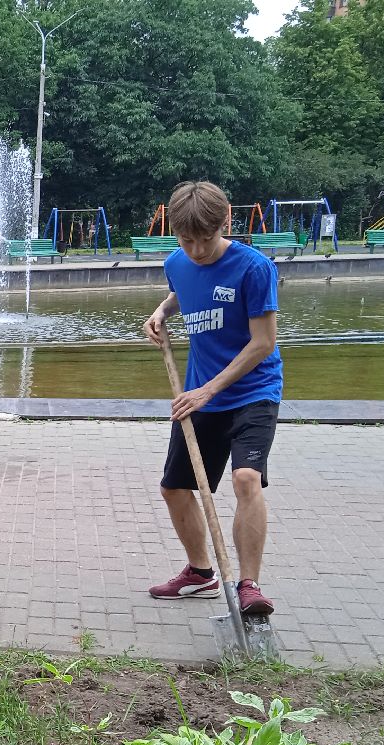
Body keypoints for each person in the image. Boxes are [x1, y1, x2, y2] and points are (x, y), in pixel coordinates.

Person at [142, 180, 281, 616]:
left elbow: (263, 343)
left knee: (246, 479)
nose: (198, 250)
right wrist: (162, 312)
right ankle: (201, 574)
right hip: (201, 397)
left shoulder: (254, 268)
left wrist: (206, 390)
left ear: (226, 223)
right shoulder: (176, 263)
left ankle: (249, 585)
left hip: (252, 392)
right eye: (187, 241)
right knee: (174, 488)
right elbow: (186, 288)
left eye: (206, 239)